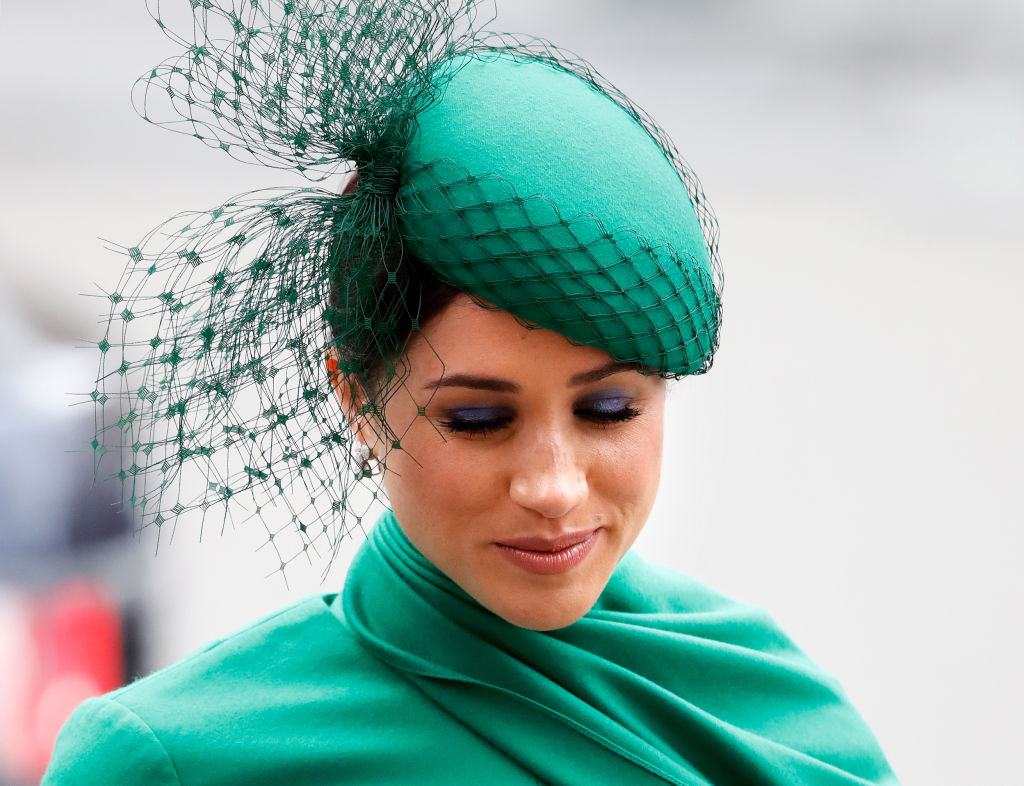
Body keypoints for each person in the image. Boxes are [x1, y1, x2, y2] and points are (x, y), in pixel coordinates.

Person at [44, 1, 900, 783]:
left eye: (609, 409)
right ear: (357, 402)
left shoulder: (772, 713)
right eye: (480, 419)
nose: (554, 486)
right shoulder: (173, 761)